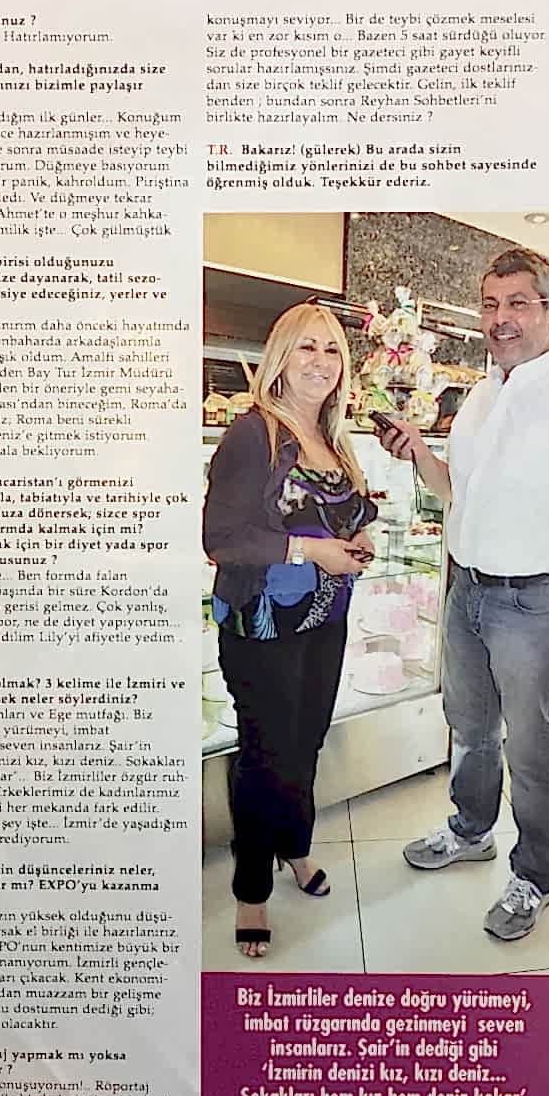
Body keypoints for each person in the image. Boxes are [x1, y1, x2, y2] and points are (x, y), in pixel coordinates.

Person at [381, 248, 549, 941]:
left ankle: (535, 874)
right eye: (490, 303)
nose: (500, 318)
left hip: (541, 604)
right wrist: (419, 452)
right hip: (468, 592)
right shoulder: (482, 395)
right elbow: (458, 491)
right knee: (470, 727)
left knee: (531, 748)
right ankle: (470, 829)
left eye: (517, 303)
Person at [203, 302, 376, 958]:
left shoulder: (333, 437)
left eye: (331, 351)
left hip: (324, 621)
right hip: (262, 628)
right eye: (307, 347)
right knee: (265, 755)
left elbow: (346, 513)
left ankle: (294, 847)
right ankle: (251, 892)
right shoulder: (256, 433)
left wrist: (360, 537)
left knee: (305, 743)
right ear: (280, 357)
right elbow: (222, 538)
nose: (320, 363)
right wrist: (312, 552)